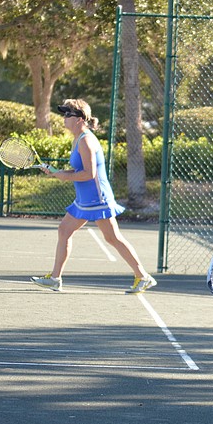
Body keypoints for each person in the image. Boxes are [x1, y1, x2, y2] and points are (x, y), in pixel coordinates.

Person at [30, 99, 157, 294]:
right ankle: (55, 278)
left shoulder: (87, 141)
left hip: (97, 199)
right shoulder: (78, 138)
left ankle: (143, 276)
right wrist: (58, 171)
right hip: (85, 199)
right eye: (64, 114)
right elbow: (79, 169)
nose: (64, 118)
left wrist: (64, 176)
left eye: (68, 115)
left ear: (80, 119)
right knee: (64, 230)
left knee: (113, 238)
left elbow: (90, 174)